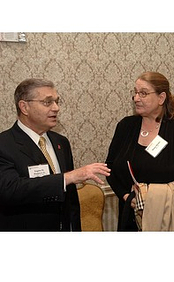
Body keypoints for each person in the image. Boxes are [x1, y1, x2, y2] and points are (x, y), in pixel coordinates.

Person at [0, 78, 111, 231]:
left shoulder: (61, 142)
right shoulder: (4, 144)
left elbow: (71, 200)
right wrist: (67, 177)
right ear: (24, 107)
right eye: (47, 102)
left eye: (57, 101)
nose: (56, 108)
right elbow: (9, 190)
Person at [106, 71, 174, 231]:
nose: (136, 98)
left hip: (167, 215)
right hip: (130, 215)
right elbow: (110, 167)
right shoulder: (125, 126)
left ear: (161, 98)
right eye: (135, 93)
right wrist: (126, 196)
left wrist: (159, 196)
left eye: (143, 93)